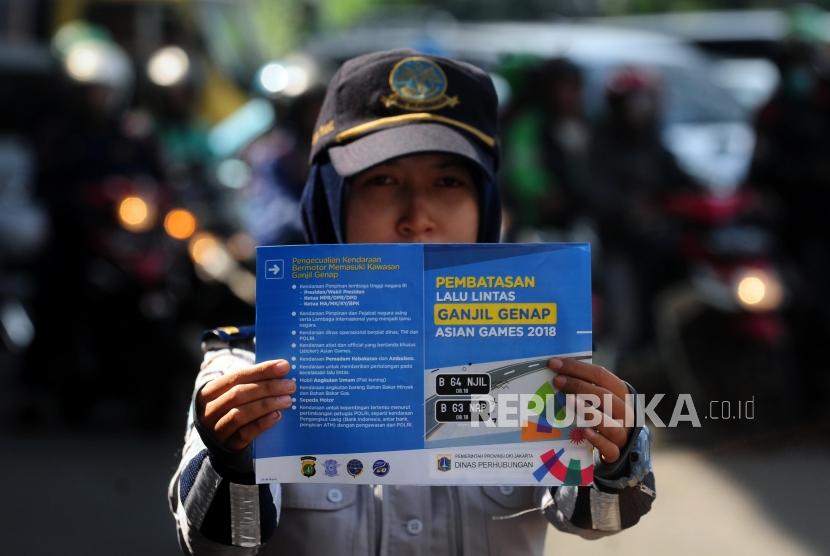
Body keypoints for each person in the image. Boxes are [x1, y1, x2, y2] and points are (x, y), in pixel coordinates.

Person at [169, 49, 655, 555]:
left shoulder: (540, 358)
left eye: (448, 182)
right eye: (382, 180)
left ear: (486, 206)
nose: (418, 215)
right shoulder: (248, 368)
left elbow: (595, 519)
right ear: (331, 202)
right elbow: (217, 544)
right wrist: (231, 456)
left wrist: (615, 455)